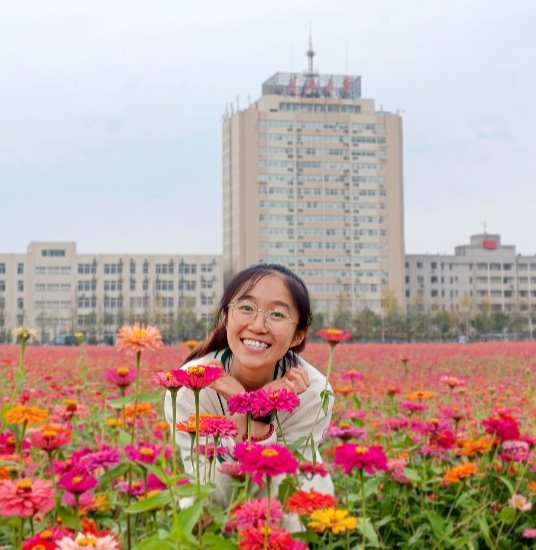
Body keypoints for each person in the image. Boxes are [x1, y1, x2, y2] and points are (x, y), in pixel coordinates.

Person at [164, 263, 334, 510]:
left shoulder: (313, 392)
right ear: (226, 316)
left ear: (298, 334)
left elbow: (289, 488)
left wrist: (260, 414)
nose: (257, 326)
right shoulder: (190, 386)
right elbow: (211, 496)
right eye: (246, 308)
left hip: (281, 514)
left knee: (314, 481)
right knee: (191, 501)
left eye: (277, 314)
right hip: (213, 517)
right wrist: (240, 408)